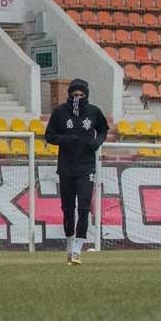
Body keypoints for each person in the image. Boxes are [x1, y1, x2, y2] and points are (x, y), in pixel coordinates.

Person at [43, 78, 109, 265]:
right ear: (69, 95)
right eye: (75, 95)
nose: (78, 98)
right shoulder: (60, 112)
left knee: (84, 208)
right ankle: (70, 246)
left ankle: (78, 251)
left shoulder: (94, 112)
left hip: (86, 167)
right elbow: (49, 135)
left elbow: (103, 130)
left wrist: (97, 142)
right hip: (66, 168)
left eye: (81, 95)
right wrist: (66, 139)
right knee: (68, 210)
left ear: (86, 95)